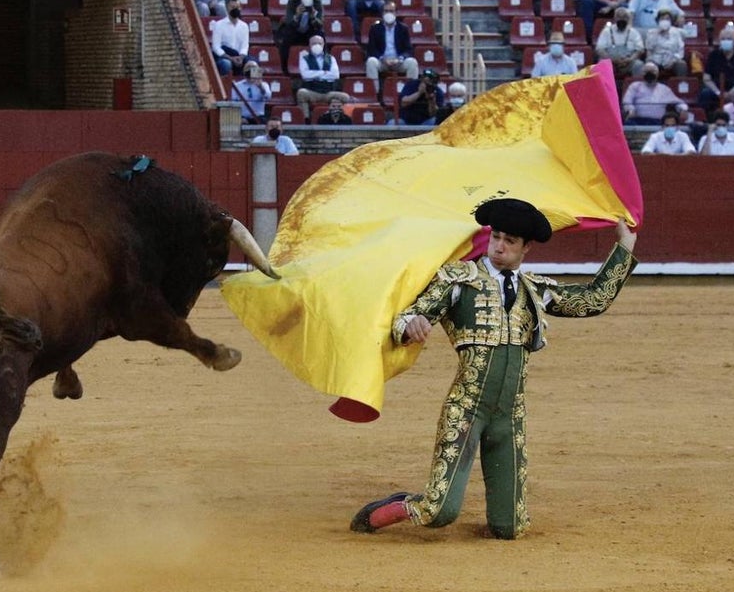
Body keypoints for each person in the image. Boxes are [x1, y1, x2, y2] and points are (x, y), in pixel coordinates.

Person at [349, 199, 637, 540]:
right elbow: (409, 314)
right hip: (467, 411)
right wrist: (412, 323)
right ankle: (386, 510)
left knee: (510, 527)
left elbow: (593, 300)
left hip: (509, 416)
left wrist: (625, 247)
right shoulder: (459, 278)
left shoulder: (534, 289)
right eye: (496, 236)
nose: (499, 246)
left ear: (526, 247)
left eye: (509, 241)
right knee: (438, 512)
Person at [365, 1, 419, 97]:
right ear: (382, 13)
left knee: (412, 62)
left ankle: (410, 93)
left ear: (396, 13)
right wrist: (383, 59)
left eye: (391, 11)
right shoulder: (375, 28)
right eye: (386, 11)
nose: (389, 13)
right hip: (382, 61)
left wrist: (399, 59)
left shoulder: (403, 28)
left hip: (398, 61)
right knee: (371, 61)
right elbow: (371, 49)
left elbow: (408, 49)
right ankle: (375, 94)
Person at [697, 27, 734, 114]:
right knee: (705, 93)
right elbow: (706, 78)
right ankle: (706, 120)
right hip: (716, 89)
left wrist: (732, 92)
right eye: (723, 39)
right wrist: (718, 92)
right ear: (719, 41)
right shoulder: (713, 55)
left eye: (729, 39)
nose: (726, 41)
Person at [276, 0, 324, 76]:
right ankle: (284, 69)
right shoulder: (292, 2)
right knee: (286, 39)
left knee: (320, 37)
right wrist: (297, 15)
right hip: (295, 30)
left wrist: (313, 17)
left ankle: (321, 67)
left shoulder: (317, 2)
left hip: (310, 30)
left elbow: (320, 24)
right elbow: (289, 22)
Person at [294, 35, 349, 116]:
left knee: (345, 97)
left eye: (319, 43)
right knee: (301, 93)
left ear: (323, 45)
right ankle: (306, 120)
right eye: (314, 43)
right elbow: (305, 75)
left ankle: (337, 120)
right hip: (312, 92)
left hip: (328, 93)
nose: (317, 45)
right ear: (309, 45)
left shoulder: (331, 58)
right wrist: (324, 73)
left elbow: (335, 75)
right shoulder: (304, 58)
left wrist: (314, 74)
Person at [622, 61, 689, 123]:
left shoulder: (664, 89)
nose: (649, 73)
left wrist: (683, 110)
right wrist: (631, 110)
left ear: (657, 73)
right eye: (646, 71)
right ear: (642, 73)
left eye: (652, 71)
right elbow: (626, 101)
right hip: (638, 120)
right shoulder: (634, 86)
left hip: (658, 122)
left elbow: (679, 102)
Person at [595, 6, 645, 79]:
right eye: (619, 17)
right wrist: (612, 59)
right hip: (610, 60)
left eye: (624, 17)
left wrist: (630, 59)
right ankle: (605, 89)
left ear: (628, 19)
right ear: (615, 18)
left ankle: (635, 87)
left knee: (639, 65)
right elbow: (599, 49)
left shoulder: (633, 32)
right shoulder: (606, 31)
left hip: (629, 61)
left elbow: (640, 50)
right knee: (602, 65)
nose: (621, 19)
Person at [211, 0, 252, 76]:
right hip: (224, 56)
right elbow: (216, 47)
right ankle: (224, 86)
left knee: (253, 65)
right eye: (232, 7)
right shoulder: (218, 25)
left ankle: (257, 86)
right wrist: (230, 58)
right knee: (226, 64)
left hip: (240, 57)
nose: (235, 9)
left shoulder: (244, 26)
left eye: (237, 7)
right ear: (226, 8)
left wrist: (241, 57)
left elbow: (245, 46)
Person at [643, 10, 687, 77]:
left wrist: (673, 61)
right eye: (662, 19)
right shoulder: (651, 33)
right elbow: (649, 50)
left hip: (672, 60)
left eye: (667, 19)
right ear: (658, 21)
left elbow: (680, 51)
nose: (665, 21)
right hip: (655, 60)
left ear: (670, 21)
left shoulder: (677, 32)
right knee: (649, 66)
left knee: (681, 64)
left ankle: (679, 85)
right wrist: (658, 34)